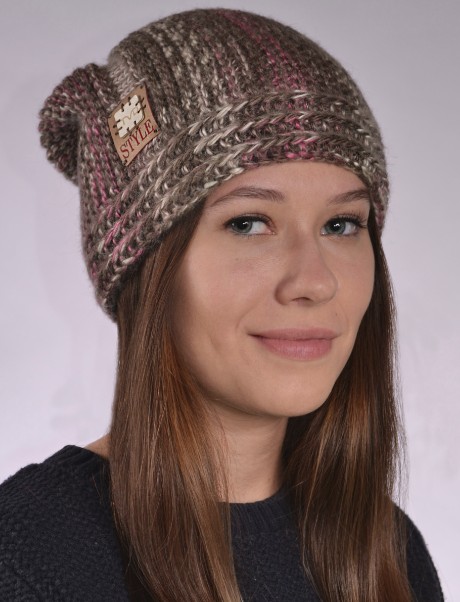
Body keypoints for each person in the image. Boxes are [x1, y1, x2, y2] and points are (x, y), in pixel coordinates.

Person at [0, 8, 444, 602]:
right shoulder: (28, 556)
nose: (314, 282)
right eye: (249, 222)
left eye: (341, 224)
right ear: (146, 270)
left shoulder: (389, 552)